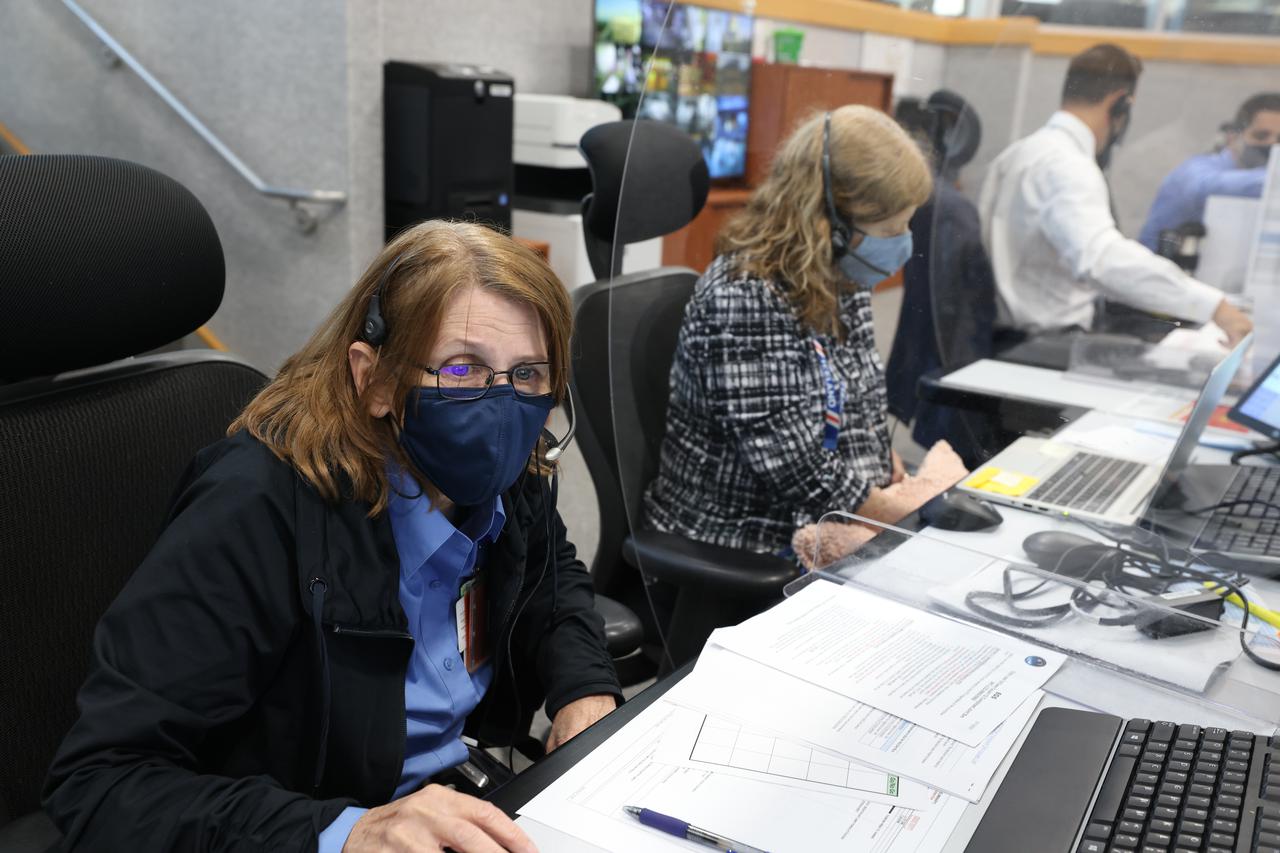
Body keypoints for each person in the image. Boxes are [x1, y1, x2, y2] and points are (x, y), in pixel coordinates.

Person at [43, 221, 621, 852]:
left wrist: (584, 688)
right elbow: (101, 785)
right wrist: (350, 833)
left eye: (528, 374)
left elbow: (552, 578)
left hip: (451, 801)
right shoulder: (257, 507)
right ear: (372, 379)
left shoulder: (511, 473)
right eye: (462, 369)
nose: (502, 404)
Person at [644, 105, 966, 556]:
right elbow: (790, 464)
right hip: (750, 534)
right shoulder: (745, 295)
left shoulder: (842, 274)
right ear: (830, 223)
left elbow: (859, 402)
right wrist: (908, 520)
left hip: (826, 509)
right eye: (892, 227)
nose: (904, 240)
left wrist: (887, 471)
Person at [978, 43, 1253, 345]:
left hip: (1004, 340)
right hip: (1040, 347)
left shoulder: (1020, 152)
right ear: (1121, 104)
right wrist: (1215, 307)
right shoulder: (1068, 165)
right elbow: (1103, 260)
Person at [886, 89, 1000, 468]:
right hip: (954, 377)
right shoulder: (953, 208)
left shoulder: (941, 201)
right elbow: (964, 316)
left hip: (930, 368)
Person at [1139, 92, 1280, 251]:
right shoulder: (1197, 170)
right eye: (1261, 136)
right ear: (1232, 138)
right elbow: (1205, 188)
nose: (1272, 145)